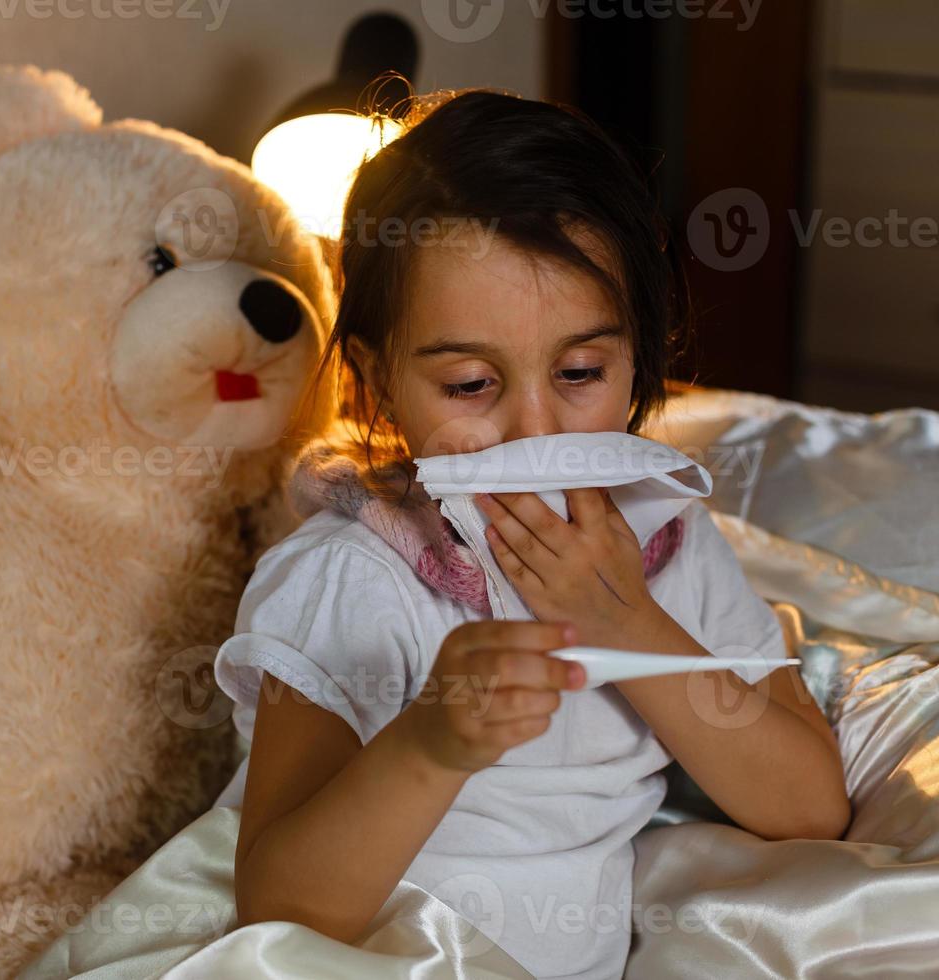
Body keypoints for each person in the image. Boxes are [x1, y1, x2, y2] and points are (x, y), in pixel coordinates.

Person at [211, 87, 850, 980]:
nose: (535, 431)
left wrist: (630, 627)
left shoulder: (667, 548)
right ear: (376, 383)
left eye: (581, 370)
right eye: (471, 384)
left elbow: (808, 805)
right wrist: (431, 744)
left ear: (639, 361)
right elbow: (276, 906)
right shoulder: (356, 577)